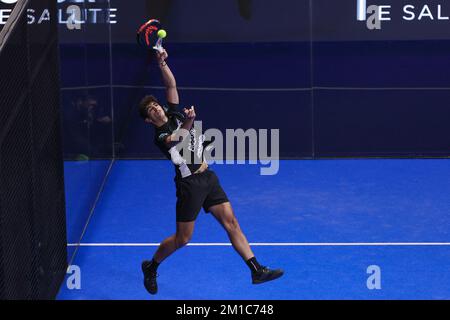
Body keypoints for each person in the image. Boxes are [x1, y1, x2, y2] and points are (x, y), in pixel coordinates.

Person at [138, 49, 283, 295]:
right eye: (150, 111)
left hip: (208, 177)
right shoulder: (160, 136)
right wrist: (190, 121)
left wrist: (162, 63)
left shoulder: (173, 113)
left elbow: (171, 85)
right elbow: (179, 139)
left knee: (232, 223)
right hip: (189, 185)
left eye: (155, 105)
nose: (156, 109)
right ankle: (151, 266)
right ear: (149, 121)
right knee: (183, 239)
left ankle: (256, 270)